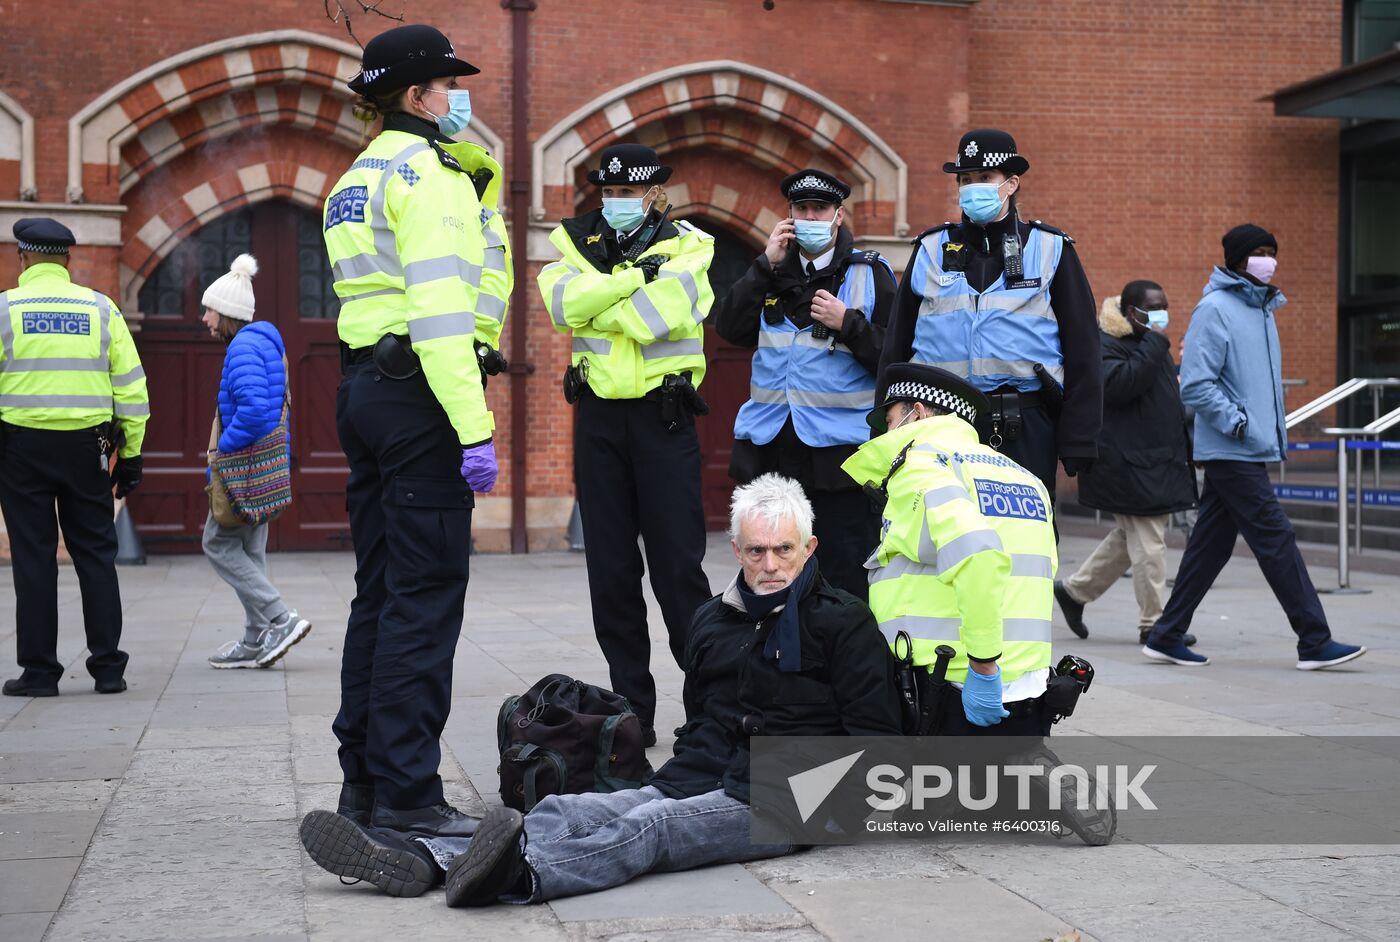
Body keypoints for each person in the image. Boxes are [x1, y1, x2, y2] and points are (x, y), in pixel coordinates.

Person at [298, 473, 903, 901]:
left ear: (810, 548)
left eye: (784, 551)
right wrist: (668, 780)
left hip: (787, 797)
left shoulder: (843, 621)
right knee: (570, 806)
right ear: (736, 549)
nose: (770, 566)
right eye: (756, 551)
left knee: (651, 830)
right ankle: (426, 862)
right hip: (704, 775)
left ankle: (518, 876)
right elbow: (701, 721)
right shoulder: (713, 621)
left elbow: (877, 746)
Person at [322, 23, 506, 837]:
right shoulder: (431, 177)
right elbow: (439, 313)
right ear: (417, 95)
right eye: (446, 85)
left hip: (365, 387)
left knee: (382, 594)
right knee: (424, 602)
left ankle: (362, 784)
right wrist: (474, 428)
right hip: (421, 396)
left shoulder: (352, 178)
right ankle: (409, 796)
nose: (456, 97)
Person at [537, 143, 715, 746]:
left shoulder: (690, 244)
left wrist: (603, 299)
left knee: (678, 572)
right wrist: (633, 282)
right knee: (609, 573)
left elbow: (656, 318)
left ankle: (708, 707)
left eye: (627, 194)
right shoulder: (572, 241)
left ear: (652, 195)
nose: (615, 203)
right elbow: (561, 305)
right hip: (598, 423)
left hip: (664, 422)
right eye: (608, 193)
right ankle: (633, 708)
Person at [1143, 225, 1367, 671]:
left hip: (1247, 447)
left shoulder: (1262, 309)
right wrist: (1239, 423)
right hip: (1232, 448)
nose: (1268, 260)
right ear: (1236, 261)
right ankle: (1314, 640)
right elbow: (1198, 386)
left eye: (1272, 252)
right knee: (1275, 537)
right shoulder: (1216, 309)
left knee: (1211, 546)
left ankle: (1166, 634)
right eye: (1258, 253)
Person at [879, 129, 1101, 505]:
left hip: (1021, 424)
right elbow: (895, 346)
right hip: (937, 421)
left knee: (1022, 538)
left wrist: (1080, 436)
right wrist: (885, 423)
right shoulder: (931, 249)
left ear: (1011, 183)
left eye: (985, 178)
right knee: (939, 534)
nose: (972, 188)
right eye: (965, 180)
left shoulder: (1050, 248)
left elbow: (1083, 349)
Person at [841, 363, 1058, 735]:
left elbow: (979, 554)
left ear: (917, 413)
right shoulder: (1022, 475)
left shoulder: (922, 466)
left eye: (891, 420)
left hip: (953, 685)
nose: (887, 432)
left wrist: (984, 668)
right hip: (1029, 685)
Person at [715, 168, 896, 600]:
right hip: (770, 446)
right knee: (771, 570)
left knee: (843, 575)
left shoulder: (869, 274)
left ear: (838, 215)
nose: (810, 216)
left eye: (820, 208)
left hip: (839, 457)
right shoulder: (770, 273)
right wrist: (763, 265)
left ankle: (841, 663)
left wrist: (848, 324)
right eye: (802, 208)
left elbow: (895, 360)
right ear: (790, 215)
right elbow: (729, 327)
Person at [0, 218, 148, 697]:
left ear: (23, 257)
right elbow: (131, 387)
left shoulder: (5, 310)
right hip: (88, 448)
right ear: (67, 259)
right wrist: (131, 455)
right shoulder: (101, 309)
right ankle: (108, 669)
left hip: (19, 449)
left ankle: (40, 673)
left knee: (33, 559)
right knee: (95, 557)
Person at [1053, 282, 1198, 646]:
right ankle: (1155, 625)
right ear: (1130, 311)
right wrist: (1154, 343)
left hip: (1156, 461)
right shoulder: (1105, 343)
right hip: (1127, 464)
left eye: (1164, 305)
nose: (1160, 314)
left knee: (1128, 539)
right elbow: (1120, 385)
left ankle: (1073, 592)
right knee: (1149, 544)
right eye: (1153, 308)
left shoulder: (1149, 342)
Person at [200, 254, 312, 669]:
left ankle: (281, 618)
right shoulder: (263, 342)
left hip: (243, 468)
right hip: (265, 465)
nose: (205, 317)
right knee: (250, 547)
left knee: (216, 543)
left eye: (209, 309)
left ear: (227, 313)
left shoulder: (243, 347)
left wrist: (223, 450)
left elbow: (253, 412)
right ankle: (254, 637)